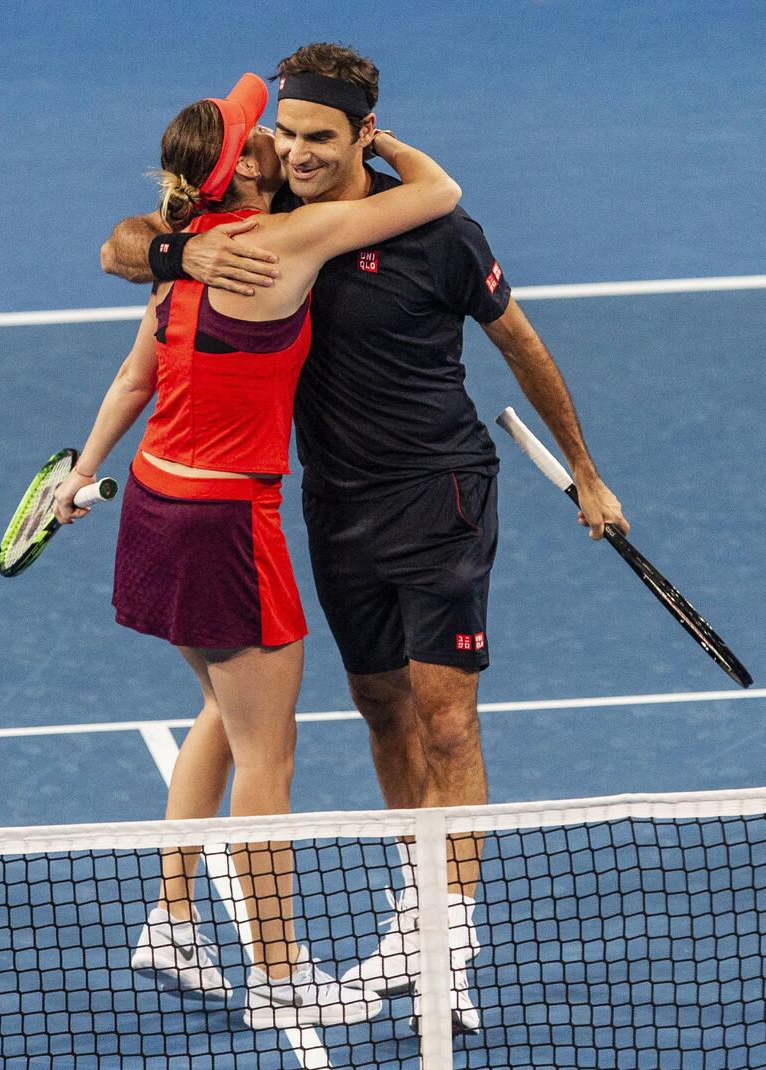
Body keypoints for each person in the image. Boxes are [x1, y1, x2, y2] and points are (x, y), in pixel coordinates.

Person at [101, 44, 630, 1036]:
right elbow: (126, 243)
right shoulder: (266, 219)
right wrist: (185, 252)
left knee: (444, 721)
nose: (297, 153)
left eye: (319, 138)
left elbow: (519, 341)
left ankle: (448, 939)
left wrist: (586, 469)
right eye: (285, 136)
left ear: (362, 137)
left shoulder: (432, 226)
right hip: (334, 507)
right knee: (381, 708)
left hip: (440, 497)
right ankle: (409, 907)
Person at [55, 71, 463, 1030]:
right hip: (230, 521)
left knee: (217, 712)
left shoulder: (186, 254)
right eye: (264, 135)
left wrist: (83, 472)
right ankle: (281, 972)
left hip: (153, 502)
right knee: (267, 755)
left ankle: (172, 920)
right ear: (243, 166)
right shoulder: (289, 239)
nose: (283, 141)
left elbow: (130, 375)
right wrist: (381, 142)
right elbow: (440, 196)